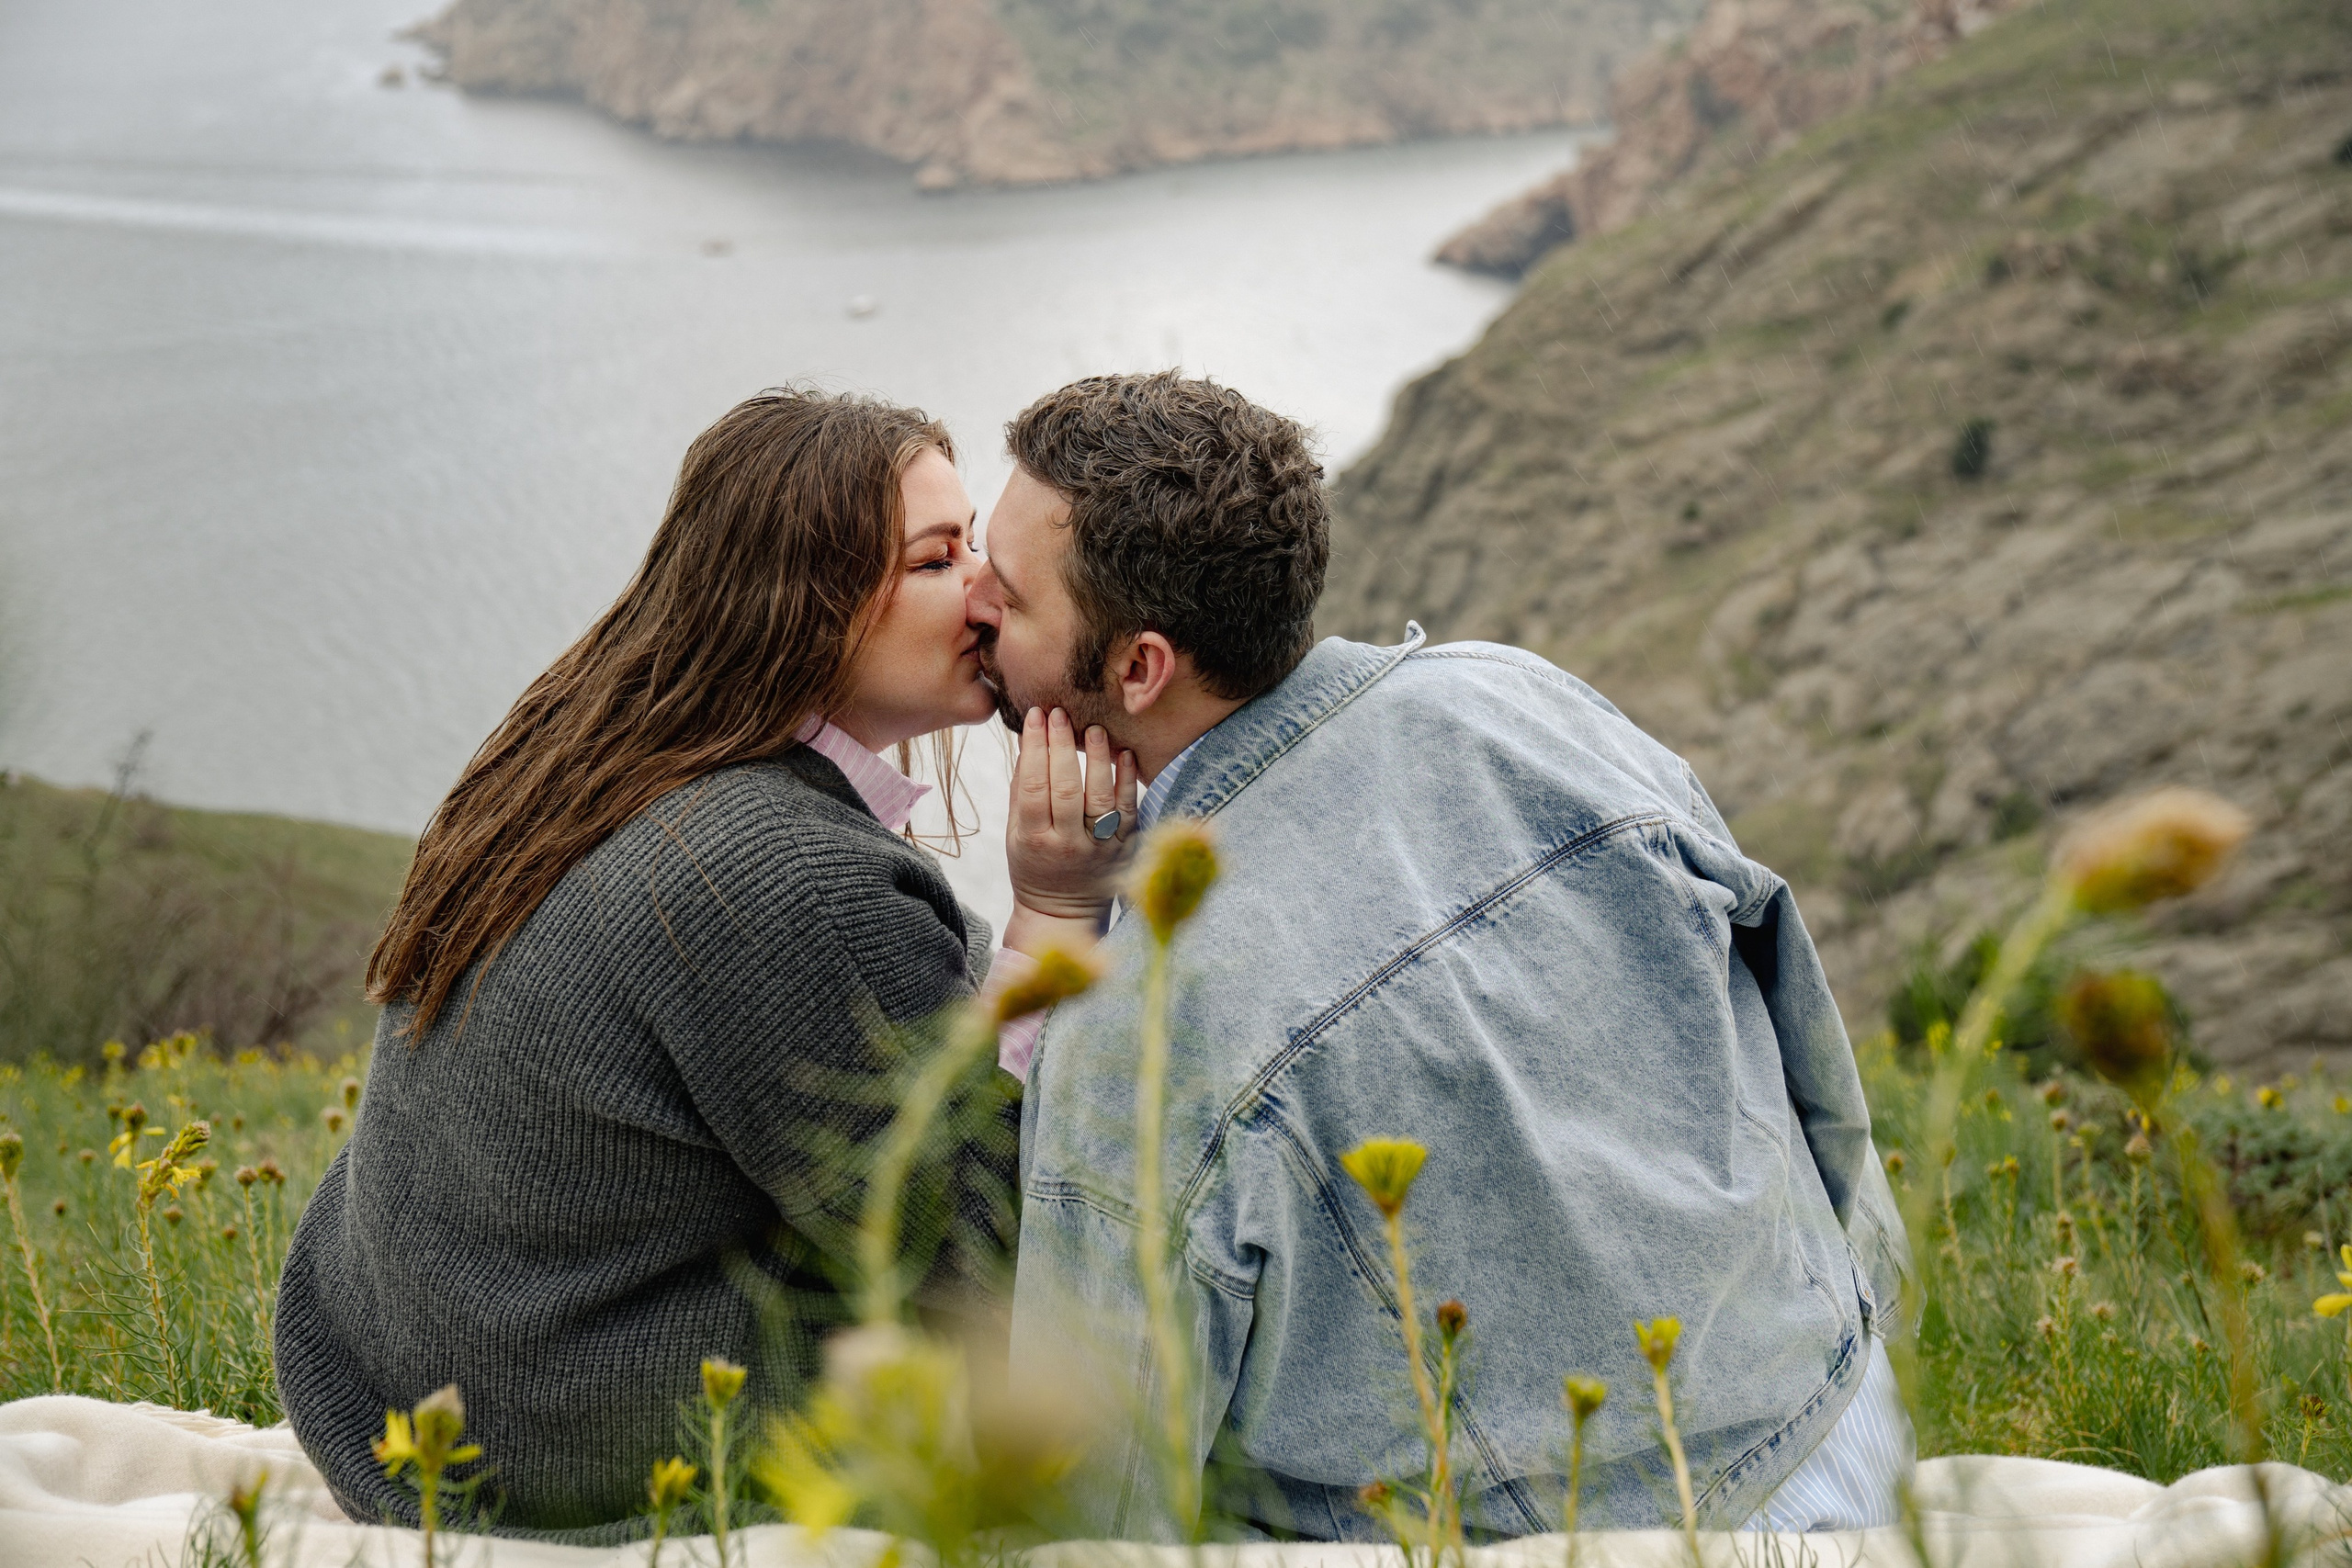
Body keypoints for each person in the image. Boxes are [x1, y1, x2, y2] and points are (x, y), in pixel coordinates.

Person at [968, 371, 1914, 1542]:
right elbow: (1807, 1059)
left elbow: (1089, 1502)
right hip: (1837, 1430)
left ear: (1139, 668)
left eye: (1004, 598)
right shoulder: (1527, 702)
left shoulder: (1143, 1026)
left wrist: (1061, 916)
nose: (969, 607)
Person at [275, 388, 1128, 1536]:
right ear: (807, 607)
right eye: (937, 561)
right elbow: (990, 1252)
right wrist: (1058, 912)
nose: (985, 592)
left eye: (973, 544)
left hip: (409, 1365)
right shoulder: (779, 875)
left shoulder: (595, 751)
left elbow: (878, 1012)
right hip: (556, 1441)